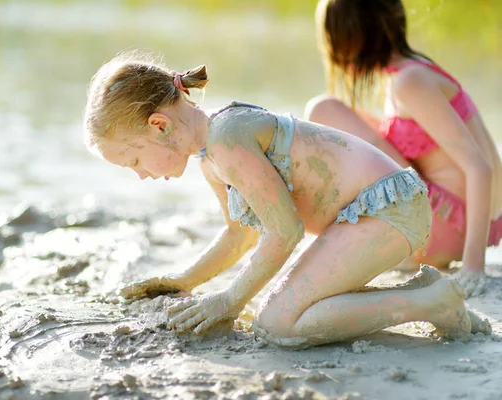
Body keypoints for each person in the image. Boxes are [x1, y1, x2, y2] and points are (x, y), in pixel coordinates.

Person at [82, 51, 484, 348]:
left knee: (277, 324)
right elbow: (239, 234)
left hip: (386, 209)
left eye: (133, 159)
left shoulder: (227, 138)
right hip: (365, 217)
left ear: (159, 125)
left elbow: (285, 229)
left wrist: (230, 299)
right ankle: (426, 292)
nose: (140, 174)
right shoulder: (211, 157)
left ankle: (431, 303)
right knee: (284, 315)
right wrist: (183, 281)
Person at [305, 0, 502, 297]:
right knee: (329, 113)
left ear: (354, 39)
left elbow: (479, 167)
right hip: (456, 222)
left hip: (449, 222)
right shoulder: (414, 73)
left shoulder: (410, 83)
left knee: (323, 110)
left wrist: (474, 267)